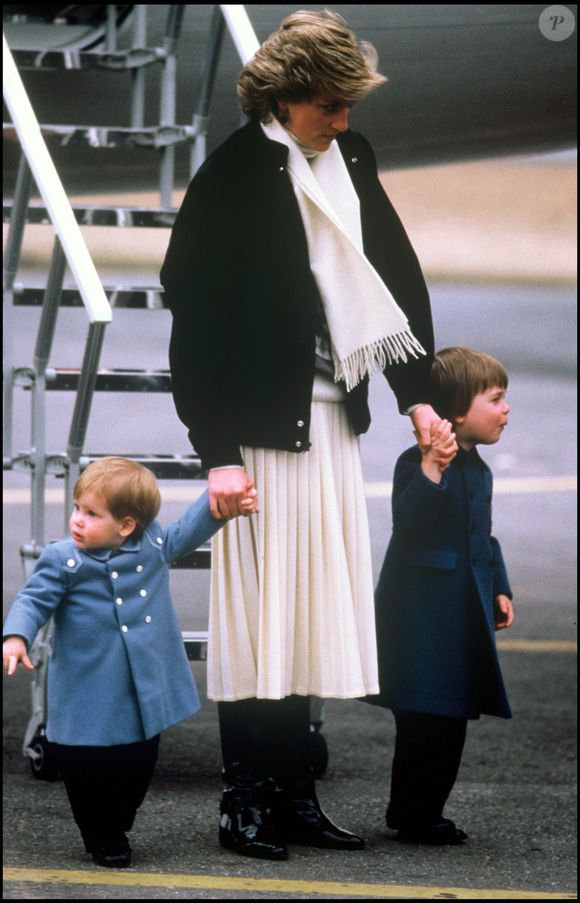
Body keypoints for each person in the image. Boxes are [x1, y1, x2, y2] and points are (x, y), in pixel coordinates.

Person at [160, 9, 441, 861]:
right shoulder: (236, 174)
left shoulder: (349, 157)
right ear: (283, 98)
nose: (344, 120)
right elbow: (194, 319)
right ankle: (245, 801)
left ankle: (293, 796)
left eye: (349, 104)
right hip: (255, 428)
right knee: (259, 620)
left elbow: (390, 272)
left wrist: (417, 397)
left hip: (332, 417)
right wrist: (212, 451)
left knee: (313, 614)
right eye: (329, 104)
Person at [2, 456, 257, 868]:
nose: (77, 521)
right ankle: (99, 833)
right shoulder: (63, 559)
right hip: (87, 688)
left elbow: (190, 529)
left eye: (91, 513)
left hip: (142, 685)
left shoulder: (153, 545)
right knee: (83, 767)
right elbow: (33, 599)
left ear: (126, 525)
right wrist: (16, 636)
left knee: (138, 762)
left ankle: (119, 821)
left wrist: (222, 500)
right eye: (77, 509)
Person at [365, 347, 515, 844]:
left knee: (452, 720)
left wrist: (499, 588)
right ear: (455, 413)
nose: (505, 409)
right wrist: (431, 465)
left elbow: (483, 538)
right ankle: (411, 811)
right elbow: (409, 524)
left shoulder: (481, 471)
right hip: (423, 620)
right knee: (424, 719)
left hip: (461, 615)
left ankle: (424, 809)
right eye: (495, 399)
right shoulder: (417, 462)